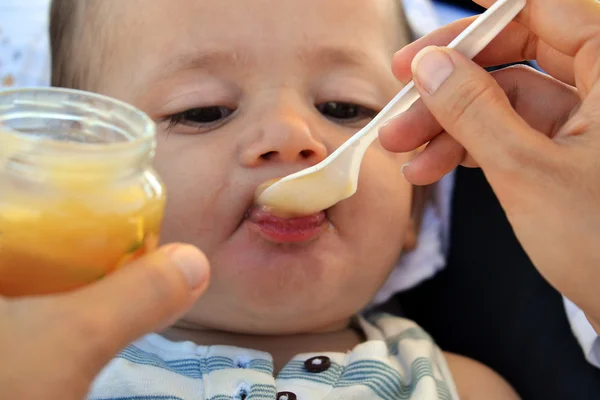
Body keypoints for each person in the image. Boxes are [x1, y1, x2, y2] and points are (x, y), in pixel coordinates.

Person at [1, 0, 599, 398]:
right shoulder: (45, 365)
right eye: (203, 111)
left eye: (344, 109)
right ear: (82, 182)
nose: (291, 136)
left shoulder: (459, 387)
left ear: (418, 209)